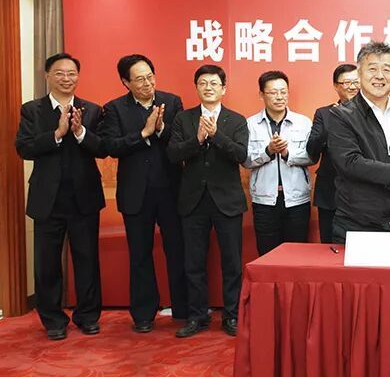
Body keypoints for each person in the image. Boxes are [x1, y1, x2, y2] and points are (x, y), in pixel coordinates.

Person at [15, 53, 106, 340]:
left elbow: (103, 148)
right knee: (47, 264)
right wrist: (57, 133)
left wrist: (80, 132)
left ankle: (88, 316)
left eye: (71, 73)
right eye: (59, 73)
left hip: (84, 198)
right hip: (48, 200)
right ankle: (53, 319)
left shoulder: (92, 110)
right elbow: (24, 148)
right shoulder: (33, 110)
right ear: (47, 76)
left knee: (87, 260)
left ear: (78, 76)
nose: (66, 78)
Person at [98, 54, 187, 333]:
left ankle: (184, 309)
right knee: (140, 255)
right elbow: (110, 146)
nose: (147, 83)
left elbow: (181, 141)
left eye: (150, 76)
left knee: (178, 250)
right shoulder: (114, 109)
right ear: (126, 82)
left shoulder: (172, 102)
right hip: (136, 193)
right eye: (139, 79)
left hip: (171, 191)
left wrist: (160, 130)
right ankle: (144, 314)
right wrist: (144, 133)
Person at [167, 64, 248, 338]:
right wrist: (197, 139)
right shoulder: (183, 119)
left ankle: (232, 315)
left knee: (232, 263)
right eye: (203, 83)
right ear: (197, 88)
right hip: (193, 201)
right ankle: (197, 316)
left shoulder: (236, 120)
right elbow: (173, 154)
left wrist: (216, 136)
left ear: (223, 88)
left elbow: (241, 155)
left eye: (214, 83)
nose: (208, 87)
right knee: (193, 263)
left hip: (227, 201)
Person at [324, 42, 390, 243]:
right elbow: (349, 162)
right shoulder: (341, 115)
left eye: (386, 69)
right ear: (360, 73)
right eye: (372, 69)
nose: (380, 76)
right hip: (356, 224)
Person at [243, 70, 313, 255]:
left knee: (297, 255)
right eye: (273, 92)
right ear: (261, 94)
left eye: (283, 92)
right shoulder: (250, 124)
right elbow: (245, 160)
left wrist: (286, 153)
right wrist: (268, 151)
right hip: (264, 201)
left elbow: (312, 156)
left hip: (297, 200)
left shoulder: (303, 123)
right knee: (267, 255)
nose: (279, 97)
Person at [306, 64, 358, 243]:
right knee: (329, 246)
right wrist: (334, 122)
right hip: (331, 192)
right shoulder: (325, 114)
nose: (353, 87)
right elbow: (312, 151)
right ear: (336, 86)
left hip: (364, 194)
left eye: (356, 82)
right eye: (347, 82)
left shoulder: (373, 114)